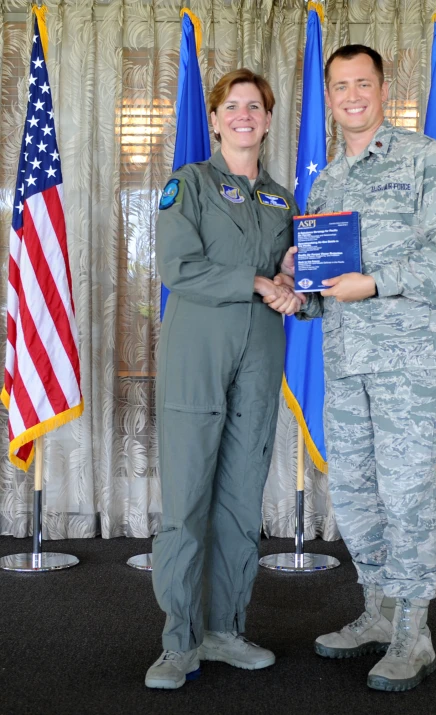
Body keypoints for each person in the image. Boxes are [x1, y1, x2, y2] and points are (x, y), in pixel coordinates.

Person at [279, 44, 436, 691]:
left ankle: (415, 632)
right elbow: (322, 284)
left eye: (364, 83)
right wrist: (293, 290)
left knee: (406, 496)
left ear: (384, 89)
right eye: (340, 86)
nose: (352, 95)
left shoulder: (425, 161)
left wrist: (375, 282)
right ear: (328, 97)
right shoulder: (326, 182)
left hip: (405, 361)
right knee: (355, 496)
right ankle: (380, 611)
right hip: (345, 361)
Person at [146, 68, 302, 690]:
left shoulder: (283, 200)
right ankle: (177, 641)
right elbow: (177, 265)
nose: (243, 115)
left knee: (240, 499)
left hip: (260, 354)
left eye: (255, 107)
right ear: (213, 120)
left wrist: (291, 279)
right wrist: (256, 283)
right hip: (197, 352)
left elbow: (290, 281)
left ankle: (225, 628)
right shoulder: (186, 186)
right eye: (231, 106)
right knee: (186, 503)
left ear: (267, 121)